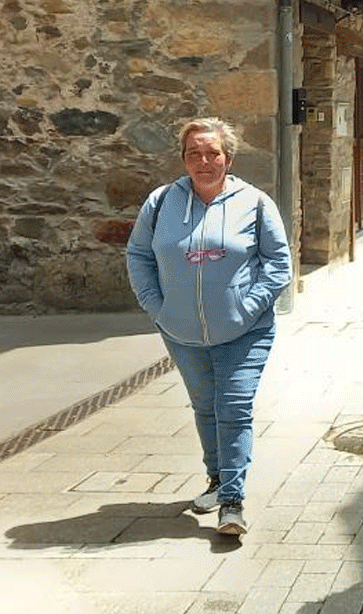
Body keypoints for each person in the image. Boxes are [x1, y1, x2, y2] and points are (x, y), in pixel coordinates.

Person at [126, 118, 292, 537]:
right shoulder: (161, 203)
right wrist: (157, 307)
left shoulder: (254, 202)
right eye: (194, 153)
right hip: (181, 331)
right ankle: (217, 480)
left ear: (228, 158)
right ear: (184, 159)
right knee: (205, 406)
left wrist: (247, 308)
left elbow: (278, 265)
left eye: (212, 153)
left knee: (233, 406)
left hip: (245, 331)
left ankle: (232, 502)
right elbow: (138, 255)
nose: (204, 161)